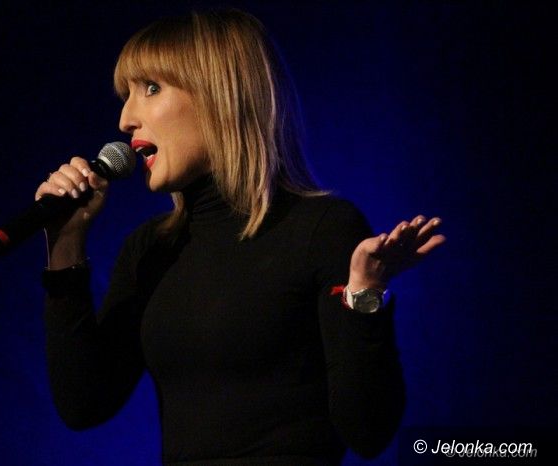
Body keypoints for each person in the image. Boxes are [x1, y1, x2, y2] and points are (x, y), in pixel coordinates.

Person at [35, 9, 445, 466]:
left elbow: (369, 433)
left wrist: (363, 296)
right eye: (125, 95)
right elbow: (84, 404)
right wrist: (65, 244)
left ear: (220, 97)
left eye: (150, 88)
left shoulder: (323, 229)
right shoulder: (150, 249)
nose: (125, 119)